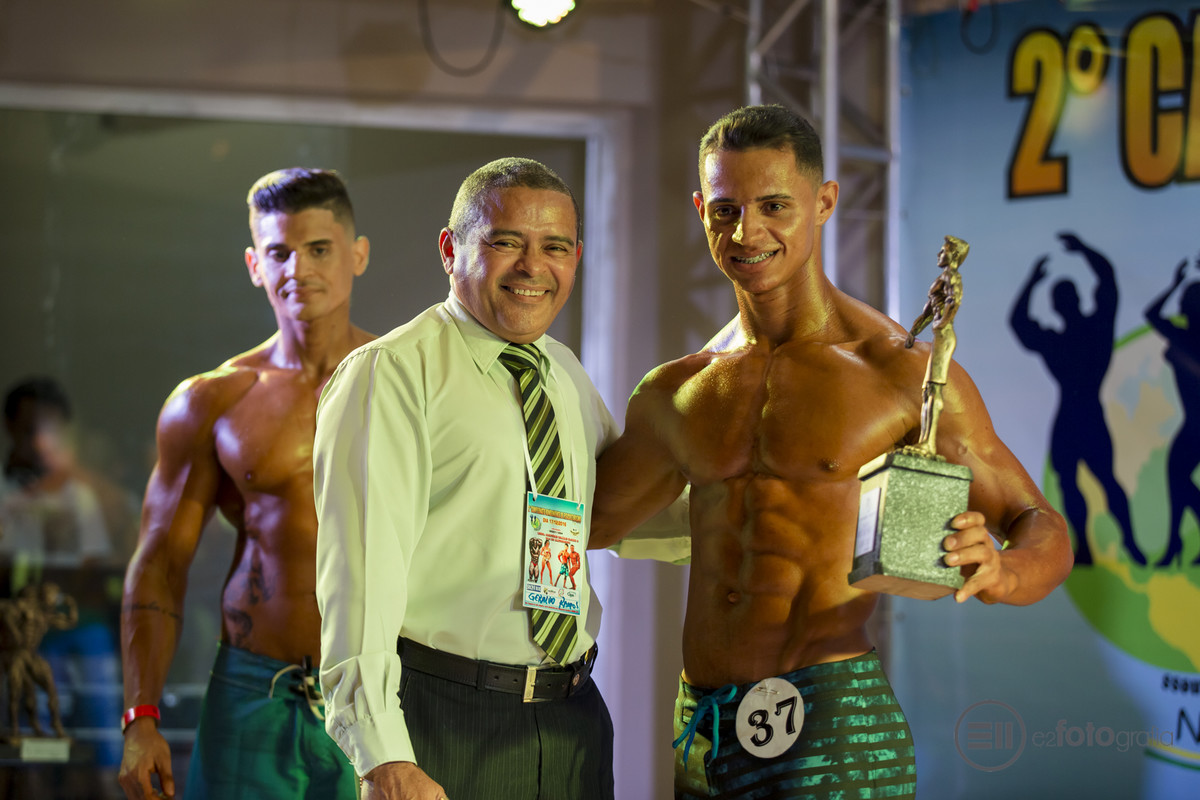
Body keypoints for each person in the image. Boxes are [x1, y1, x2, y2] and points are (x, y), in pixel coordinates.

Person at [589, 104, 1073, 799]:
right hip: (703, 726)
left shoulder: (897, 372)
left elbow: (1039, 523)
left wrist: (1004, 571)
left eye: (774, 206)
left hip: (831, 720)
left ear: (823, 203)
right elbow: (581, 524)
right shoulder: (678, 391)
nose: (746, 232)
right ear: (701, 211)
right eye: (725, 210)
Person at [314, 157, 619, 800]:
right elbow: (360, 580)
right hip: (445, 722)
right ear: (451, 250)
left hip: (574, 721)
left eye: (555, 247)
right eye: (507, 242)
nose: (533, 267)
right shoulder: (393, 372)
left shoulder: (562, 371)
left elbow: (620, 508)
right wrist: (382, 756)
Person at [118, 168, 372, 800]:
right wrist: (140, 718)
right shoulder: (214, 400)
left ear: (357, 255)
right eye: (279, 252)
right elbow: (160, 565)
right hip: (252, 689)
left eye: (319, 249)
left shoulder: (408, 386)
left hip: (379, 691)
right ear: (255, 265)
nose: (298, 269)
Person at [1009, 232, 1145, 566]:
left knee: (1104, 480)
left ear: (1073, 300)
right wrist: (1032, 281)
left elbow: (1107, 280)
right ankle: (1084, 546)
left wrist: (1084, 250)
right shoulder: (1060, 338)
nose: (1064, 303)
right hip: (1070, 416)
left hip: (1086, 413)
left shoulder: (1095, 329)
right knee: (1070, 483)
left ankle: (1129, 542)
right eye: (1061, 299)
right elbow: (1019, 323)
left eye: (1066, 297)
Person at [1144, 255, 1200, 566]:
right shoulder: (1182, 335)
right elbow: (1151, 314)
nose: (1181, 306)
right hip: (1192, 424)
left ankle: (1174, 544)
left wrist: (1177, 284)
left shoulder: (1185, 337)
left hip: (1196, 425)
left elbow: (1152, 314)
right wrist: (1177, 283)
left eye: (1186, 302)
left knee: (1177, 477)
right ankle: (1173, 543)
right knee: (1176, 476)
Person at [904, 235, 969, 457]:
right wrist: (914, 331)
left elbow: (954, 300)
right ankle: (925, 441)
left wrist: (943, 323)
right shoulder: (942, 278)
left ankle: (929, 444)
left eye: (944, 251)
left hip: (944, 335)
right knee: (928, 390)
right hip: (939, 334)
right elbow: (928, 311)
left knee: (933, 389)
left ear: (953, 255)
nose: (939, 254)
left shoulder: (951, 276)